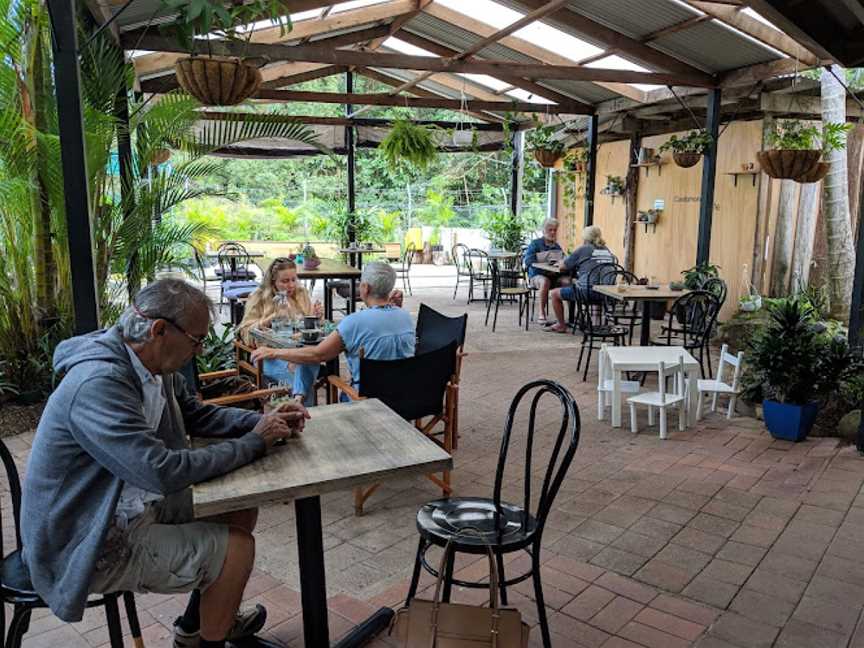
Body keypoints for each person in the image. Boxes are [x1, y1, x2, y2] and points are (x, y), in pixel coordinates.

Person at [20, 279, 309, 648]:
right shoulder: (98, 384)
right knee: (237, 551)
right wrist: (254, 443)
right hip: (85, 538)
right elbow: (161, 471)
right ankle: (209, 641)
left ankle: (196, 627)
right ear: (159, 330)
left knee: (239, 507)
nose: (200, 350)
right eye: (196, 340)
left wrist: (259, 421)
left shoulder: (150, 365)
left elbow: (194, 415)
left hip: (125, 504)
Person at [251, 262, 414, 391]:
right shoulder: (406, 317)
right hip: (404, 398)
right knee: (304, 367)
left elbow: (317, 354)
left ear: (365, 288)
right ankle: (300, 401)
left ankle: (303, 412)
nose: (291, 284)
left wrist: (273, 352)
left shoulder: (354, 322)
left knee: (308, 365)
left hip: (365, 402)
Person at [238, 258, 323, 404]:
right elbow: (245, 332)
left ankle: (298, 404)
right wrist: (272, 317)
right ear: (272, 282)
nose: (290, 285)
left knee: (307, 362)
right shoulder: (259, 297)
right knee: (305, 369)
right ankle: (307, 414)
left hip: (297, 351)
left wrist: (314, 317)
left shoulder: (301, 293)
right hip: (268, 356)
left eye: (293, 279)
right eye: (284, 281)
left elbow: (307, 331)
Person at [544, 225, 616, 333]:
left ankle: (561, 325)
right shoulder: (606, 250)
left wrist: (559, 263)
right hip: (607, 293)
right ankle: (596, 323)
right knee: (583, 282)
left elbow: (564, 266)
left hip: (587, 292)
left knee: (554, 293)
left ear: (586, 238)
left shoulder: (583, 249)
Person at [523, 218, 564, 324]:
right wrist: (544, 267)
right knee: (544, 281)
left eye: (555, 230)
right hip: (536, 276)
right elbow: (528, 261)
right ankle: (542, 313)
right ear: (544, 231)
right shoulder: (535, 244)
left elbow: (563, 260)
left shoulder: (557, 246)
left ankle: (565, 318)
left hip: (553, 276)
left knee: (568, 281)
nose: (553, 232)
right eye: (550, 230)